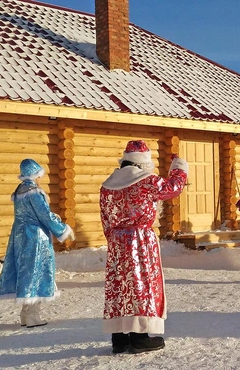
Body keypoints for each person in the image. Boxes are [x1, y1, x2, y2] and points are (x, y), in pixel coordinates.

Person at [100, 140, 188, 354]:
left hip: (117, 241)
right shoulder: (145, 181)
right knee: (140, 284)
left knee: (120, 286)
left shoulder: (107, 184)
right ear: (143, 163)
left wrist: (114, 238)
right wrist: (179, 166)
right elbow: (173, 188)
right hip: (139, 240)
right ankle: (139, 337)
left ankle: (119, 338)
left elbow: (105, 218)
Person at [0, 158, 75, 328]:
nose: (40, 178)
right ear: (35, 173)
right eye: (39, 174)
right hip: (35, 237)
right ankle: (32, 314)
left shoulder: (19, 191)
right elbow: (44, 215)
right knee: (37, 270)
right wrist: (63, 229)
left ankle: (26, 313)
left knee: (25, 270)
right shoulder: (35, 192)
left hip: (19, 235)